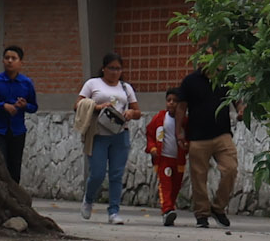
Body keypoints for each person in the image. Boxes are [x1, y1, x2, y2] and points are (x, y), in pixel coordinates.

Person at [75, 53, 138, 224]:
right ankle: (88, 199)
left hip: (120, 134)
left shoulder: (126, 88)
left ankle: (114, 211)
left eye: (118, 68)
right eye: (111, 68)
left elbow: (137, 111)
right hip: (98, 135)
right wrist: (96, 106)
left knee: (116, 174)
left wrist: (131, 113)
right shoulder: (93, 84)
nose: (114, 72)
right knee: (97, 173)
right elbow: (78, 104)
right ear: (103, 68)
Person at [176, 62, 239, 229]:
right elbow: (181, 107)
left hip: (222, 134)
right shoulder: (190, 81)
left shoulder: (225, 79)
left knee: (230, 168)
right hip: (197, 137)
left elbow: (237, 99)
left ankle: (218, 208)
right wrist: (179, 132)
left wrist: (241, 110)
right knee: (199, 178)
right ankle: (202, 214)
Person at [0, 45, 38, 184]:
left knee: (15, 167)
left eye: (13, 58)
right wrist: (2, 106)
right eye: (7, 58)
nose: (10, 61)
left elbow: (34, 107)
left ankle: (14, 197)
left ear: (20, 62)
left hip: (17, 131)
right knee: (0, 165)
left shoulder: (26, 83)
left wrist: (24, 106)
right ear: (3, 61)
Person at [143, 89, 191, 227]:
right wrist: (152, 148)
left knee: (175, 186)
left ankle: (169, 210)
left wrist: (187, 145)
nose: (171, 103)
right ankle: (167, 209)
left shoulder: (184, 121)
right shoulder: (159, 118)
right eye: (169, 100)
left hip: (179, 160)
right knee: (166, 185)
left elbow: (189, 136)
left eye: (175, 101)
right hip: (163, 158)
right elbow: (150, 134)